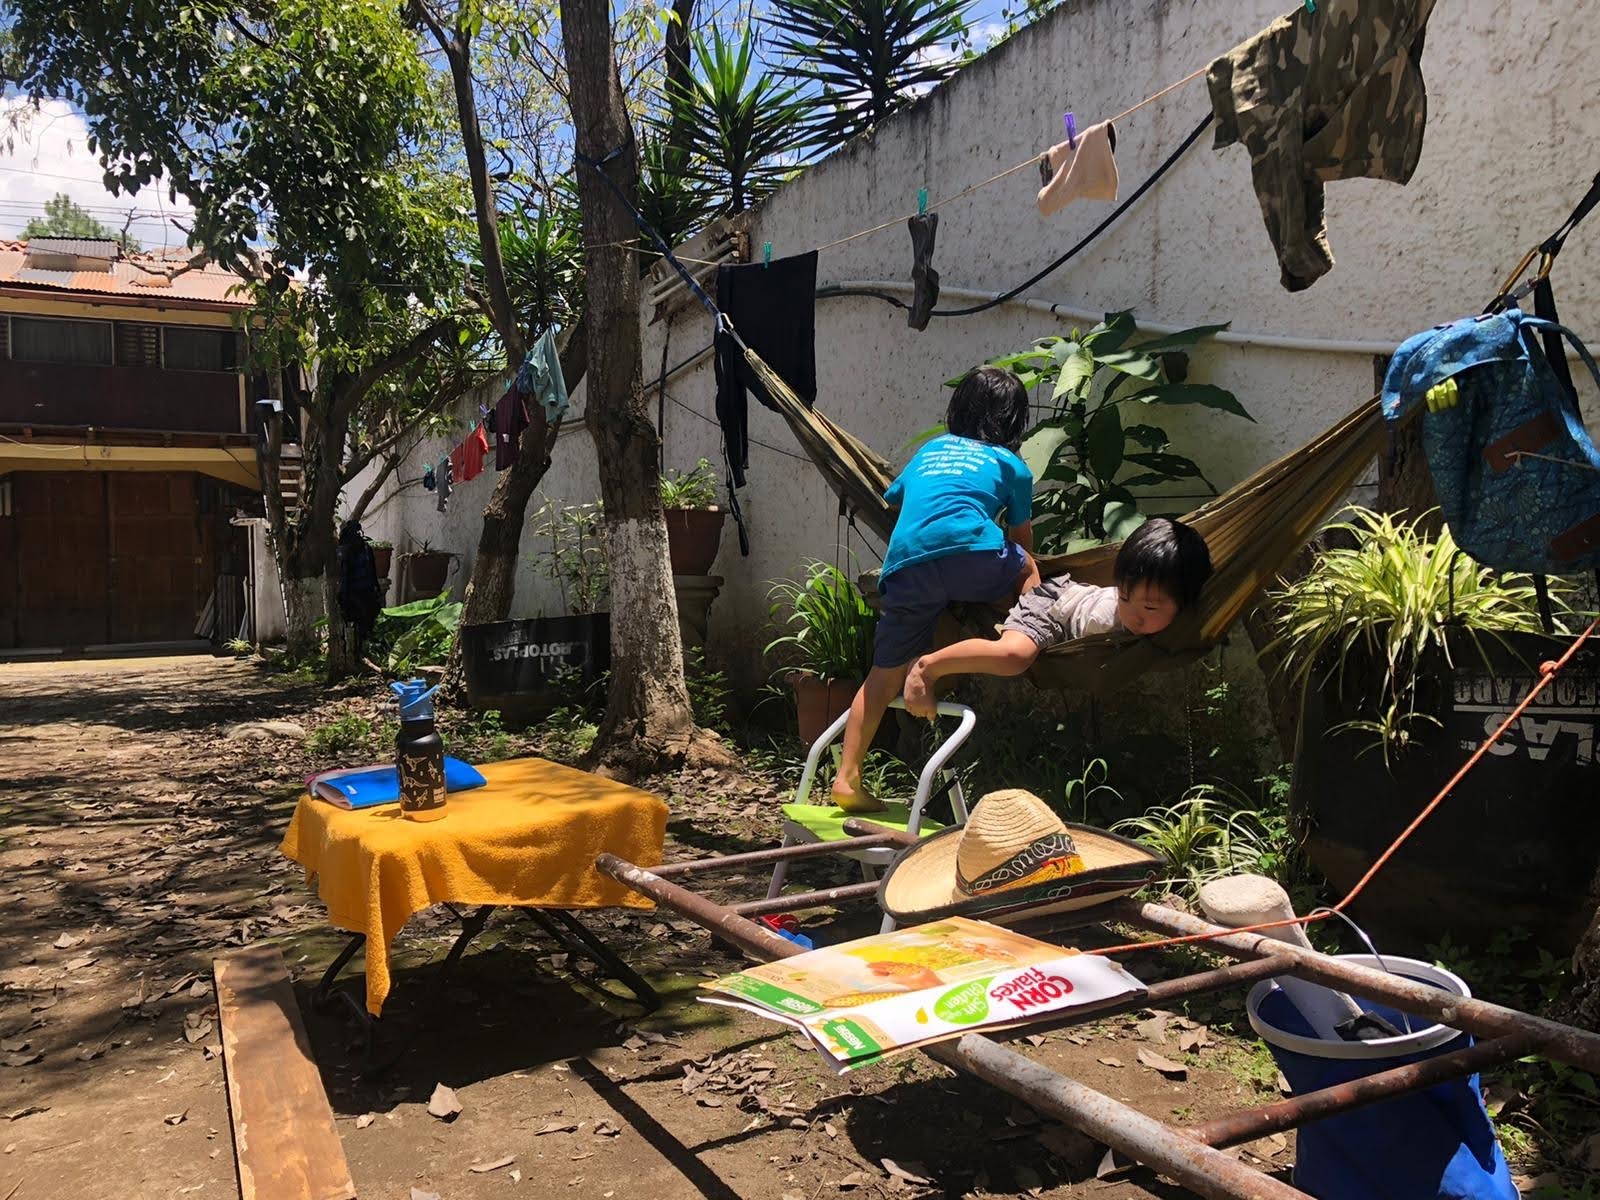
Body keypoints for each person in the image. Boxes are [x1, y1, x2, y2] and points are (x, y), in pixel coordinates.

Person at [830, 366, 1037, 812]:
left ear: (957, 409)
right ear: (1014, 421)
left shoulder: (929, 450)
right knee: (1027, 568)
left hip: (907, 568)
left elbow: (895, 496)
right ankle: (1028, 631)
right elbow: (1020, 535)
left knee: (881, 677)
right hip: (973, 558)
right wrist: (1021, 572)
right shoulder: (1012, 465)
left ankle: (846, 778)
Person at [902, 517, 1212, 718]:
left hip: (1066, 603)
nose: (1133, 615)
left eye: (1150, 608)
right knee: (1014, 655)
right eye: (1124, 597)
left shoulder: (1185, 614)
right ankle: (928, 667)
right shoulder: (1132, 613)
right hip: (1052, 606)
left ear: (1183, 604)